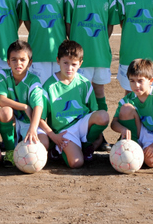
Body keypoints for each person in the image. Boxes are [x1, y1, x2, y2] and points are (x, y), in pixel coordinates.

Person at [38, 40, 110, 169]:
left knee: (103, 116)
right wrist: (54, 137)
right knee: (76, 163)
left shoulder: (84, 83)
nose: (69, 68)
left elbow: (93, 112)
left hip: (81, 124)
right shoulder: (49, 86)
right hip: (64, 131)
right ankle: (58, 149)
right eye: (65, 63)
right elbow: (40, 118)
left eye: (74, 64)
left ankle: (87, 145)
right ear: (58, 61)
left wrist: (95, 136)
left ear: (80, 64)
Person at [65, 0, 119, 115]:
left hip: (100, 54)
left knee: (99, 91)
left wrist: (99, 42)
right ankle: (83, 130)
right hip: (80, 57)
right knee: (81, 93)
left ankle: (99, 132)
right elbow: (69, 26)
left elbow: (109, 26)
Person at [20, 0, 70, 84]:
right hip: (37, 50)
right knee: (39, 89)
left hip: (59, 50)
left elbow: (68, 21)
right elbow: (27, 20)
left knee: (58, 89)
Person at [0, 41, 50, 162]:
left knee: (44, 144)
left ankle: (20, 139)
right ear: (8, 62)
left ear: (30, 62)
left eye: (22, 60)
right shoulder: (3, 75)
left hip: (29, 121)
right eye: (14, 59)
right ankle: (9, 151)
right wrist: (24, 107)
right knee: (5, 111)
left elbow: (38, 107)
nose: (18, 63)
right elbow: (2, 101)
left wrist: (33, 128)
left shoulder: (33, 80)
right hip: (13, 121)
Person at [110, 59, 153, 170]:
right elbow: (114, 123)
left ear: (151, 80)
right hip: (136, 134)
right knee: (126, 108)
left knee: (151, 162)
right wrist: (122, 129)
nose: (136, 85)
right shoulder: (128, 99)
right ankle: (133, 144)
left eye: (140, 81)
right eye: (132, 81)